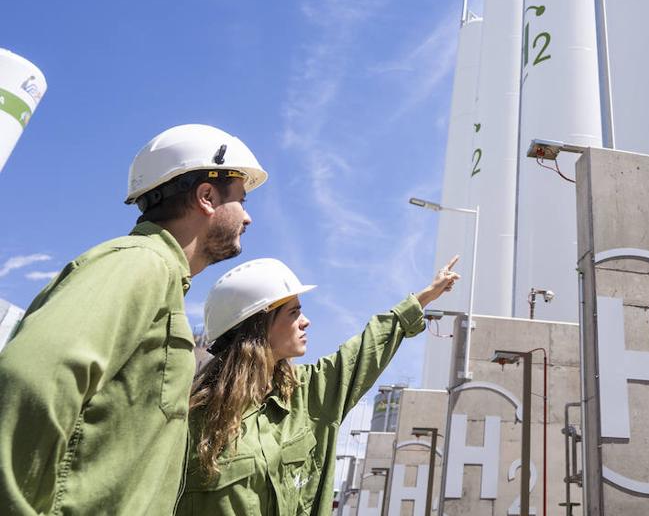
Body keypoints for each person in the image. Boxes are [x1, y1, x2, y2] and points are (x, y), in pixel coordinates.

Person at [0, 124, 266, 515]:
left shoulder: (160, 278)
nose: (248, 218)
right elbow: (31, 377)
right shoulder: (140, 262)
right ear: (207, 197)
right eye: (241, 200)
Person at [178, 254, 460, 515]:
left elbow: (365, 348)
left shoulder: (309, 393)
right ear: (259, 326)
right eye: (293, 313)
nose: (306, 321)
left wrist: (424, 297)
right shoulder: (189, 421)